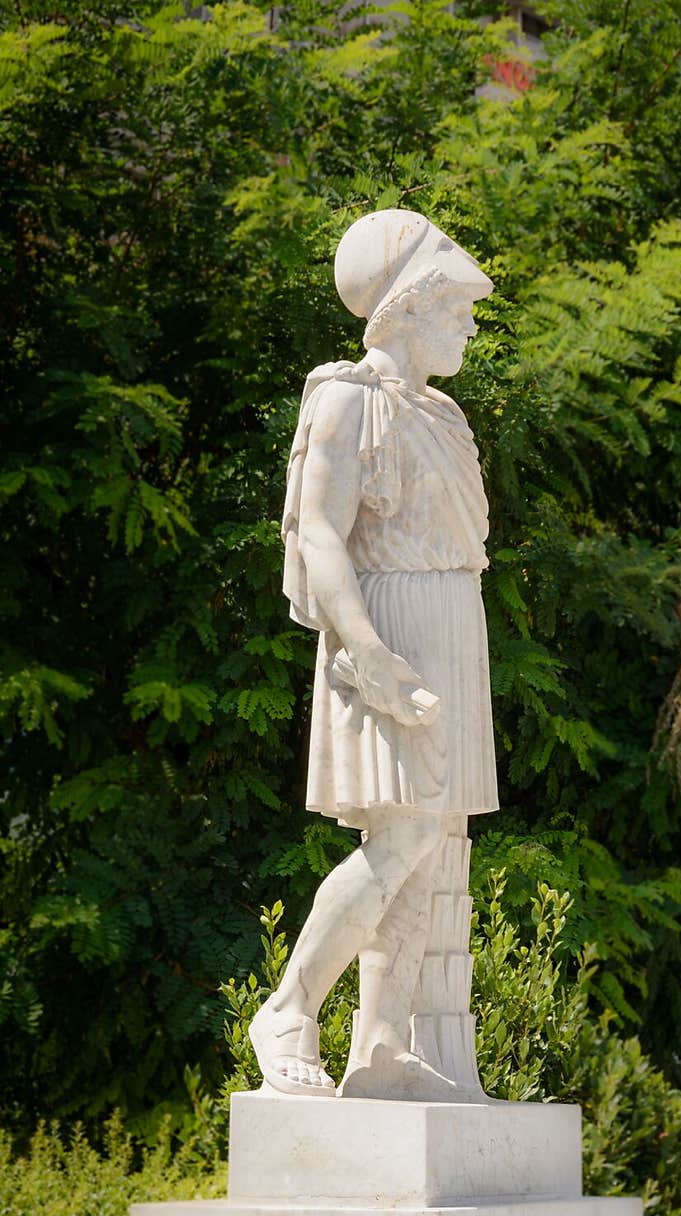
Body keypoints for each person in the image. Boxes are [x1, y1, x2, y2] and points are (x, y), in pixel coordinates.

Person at [249, 209, 498, 1100]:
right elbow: (319, 531)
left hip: (450, 623)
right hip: (388, 622)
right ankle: (289, 1007)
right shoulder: (347, 395)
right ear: (411, 306)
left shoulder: (442, 412)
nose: (471, 323)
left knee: (431, 850)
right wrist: (367, 649)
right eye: (458, 307)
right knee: (401, 840)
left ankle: (382, 1048)